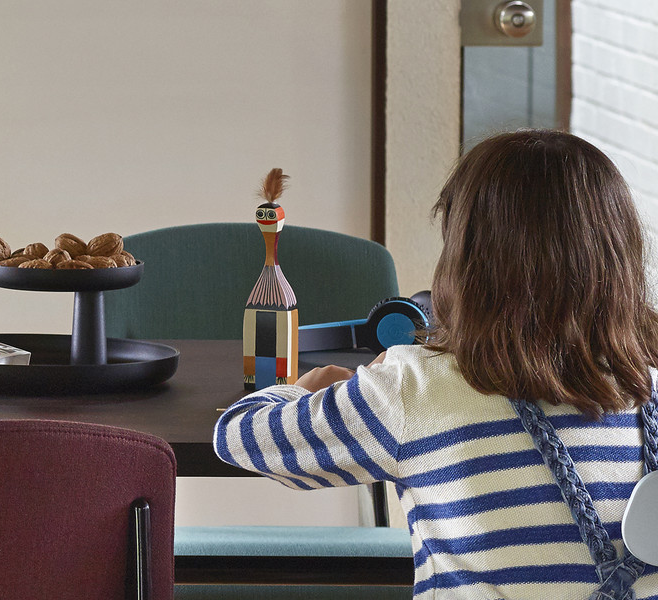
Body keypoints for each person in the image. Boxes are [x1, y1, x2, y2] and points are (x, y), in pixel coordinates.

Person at [214, 129, 658, 599]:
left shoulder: (410, 389)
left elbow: (238, 437)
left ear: (468, 259)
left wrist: (302, 389)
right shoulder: (649, 383)